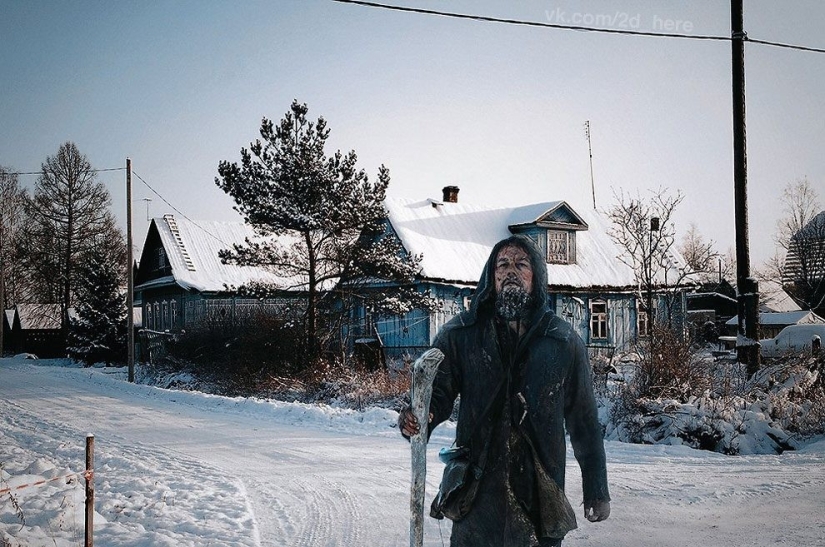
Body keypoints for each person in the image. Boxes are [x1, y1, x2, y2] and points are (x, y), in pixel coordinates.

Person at [400, 235, 610, 547]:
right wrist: (419, 416)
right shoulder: (462, 334)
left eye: (521, 264)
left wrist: (596, 488)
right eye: (503, 264)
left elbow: (584, 421)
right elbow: (435, 393)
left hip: (539, 493)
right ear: (492, 275)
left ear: (536, 276)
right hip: (477, 492)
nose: (511, 271)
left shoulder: (562, 341)